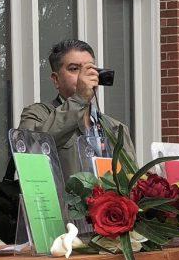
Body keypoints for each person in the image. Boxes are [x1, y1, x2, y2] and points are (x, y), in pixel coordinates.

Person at [19, 39, 134, 179]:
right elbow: (29, 150)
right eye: (74, 69)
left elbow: (132, 181)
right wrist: (79, 99)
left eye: (90, 68)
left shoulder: (117, 128)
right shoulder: (37, 114)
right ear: (56, 79)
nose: (85, 76)